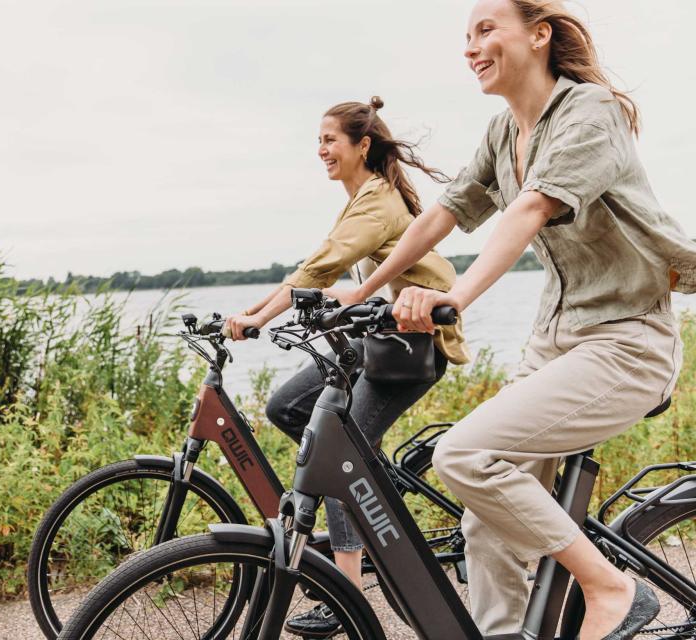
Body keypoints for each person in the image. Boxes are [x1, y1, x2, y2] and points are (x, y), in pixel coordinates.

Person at [325, 1, 696, 638]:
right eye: (466, 36)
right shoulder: (504, 131)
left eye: (486, 30)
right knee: (485, 521)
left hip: (628, 343)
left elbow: (528, 211)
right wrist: (362, 296)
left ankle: (611, 588)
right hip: (555, 344)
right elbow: (442, 213)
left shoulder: (591, 112)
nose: (471, 47)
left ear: (539, 35)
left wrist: (455, 299)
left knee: (463, 454)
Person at [224, 97, 470, 637]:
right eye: (318, 141)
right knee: (287, 406)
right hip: (377, 341)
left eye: (330, 140)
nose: (322, 150)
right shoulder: (362, 198)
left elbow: (320, 266)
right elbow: (319, 269)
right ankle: (372, 494)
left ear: (362, 145)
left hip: (409, 347)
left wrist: (256, 316)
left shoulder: (377, 201)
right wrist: (256, 315)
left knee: (341, 452)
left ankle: (347, 593)